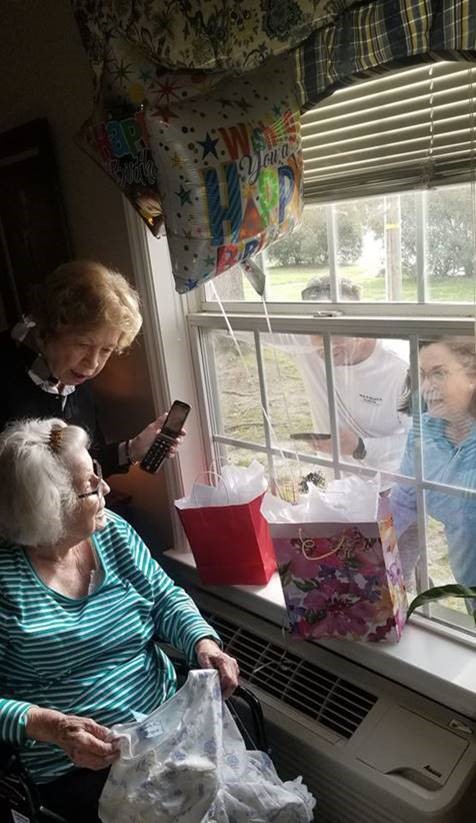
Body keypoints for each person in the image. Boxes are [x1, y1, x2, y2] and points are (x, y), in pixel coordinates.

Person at [0, 417, 239, 823]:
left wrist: (202, 642)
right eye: (91, 485)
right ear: (49, 508)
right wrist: (50, 727)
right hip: (78, 763)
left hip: (169, 726)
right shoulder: (6, 583)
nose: (106, 488)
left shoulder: (114, 533)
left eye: (97, 471)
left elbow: (164, 599)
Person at [0, 260, 182, 477]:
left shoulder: (75, 379)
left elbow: (84, 465)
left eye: (106, 350)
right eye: (83, 344)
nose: (93, 363)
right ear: (46, 330)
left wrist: (132, 449)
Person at [295, 276, 410, 478]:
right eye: (315, 332)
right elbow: (247, 322)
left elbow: (421, 441)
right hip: (338, 484)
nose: (325, 343)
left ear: (358, 324)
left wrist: (361, 446)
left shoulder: (400, 369)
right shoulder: (308, 345)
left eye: (336, 330)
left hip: (390, 484)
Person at [391, 336, 476, 590]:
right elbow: (404, 502)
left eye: (439, 373)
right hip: (468, 586)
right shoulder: (423, 433)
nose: (426, 387)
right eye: (421, 375)